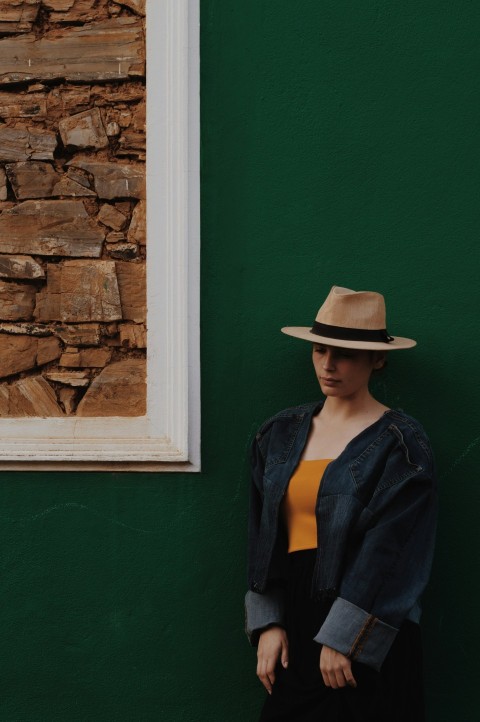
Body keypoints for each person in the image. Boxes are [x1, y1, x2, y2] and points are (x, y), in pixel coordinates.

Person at [245, 286, 437, 722]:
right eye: (319, 349)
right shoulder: (278, 433)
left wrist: (346, 637)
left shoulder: (402, 445)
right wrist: (269, 622)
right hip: (296, 624)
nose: (328, 365)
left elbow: (394, 551)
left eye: (345, 354)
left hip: (372, 629)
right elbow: (264, 534)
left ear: (379, 359)